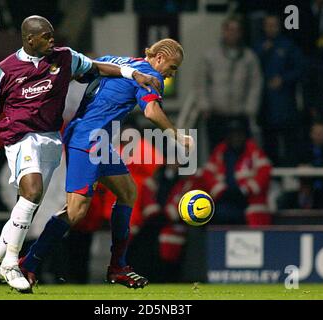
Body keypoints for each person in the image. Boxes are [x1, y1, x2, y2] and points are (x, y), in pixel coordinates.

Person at [0, 15, 162, 295]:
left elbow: (97, 67)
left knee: (30, 206)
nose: (51, 41)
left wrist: (135, 74)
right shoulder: (3, 69)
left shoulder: (64, 58)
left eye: (52, 36)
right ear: (29, 39)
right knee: (33, 195)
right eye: (46, 36)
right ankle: (14, 264)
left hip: (51, 139)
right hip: (21, 138)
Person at [19, 38, 193, 289]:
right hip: (87, 140)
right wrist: (178, 135)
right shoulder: (150, 75)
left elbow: (87, 70)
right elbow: (151, 111)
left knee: (128, 192)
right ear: (160, 58)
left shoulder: (118, 61)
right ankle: (29, 263)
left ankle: (118, 267)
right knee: (76, 212)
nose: (170, 74)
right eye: (173, 67)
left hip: (97, 141)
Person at [166, 118, 272, 226]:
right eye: (233, 134)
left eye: (239, 134)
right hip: (223, 200)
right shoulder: (221, 151)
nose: (236, 138)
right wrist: (220, 190)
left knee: (255, 212)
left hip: (248, 200)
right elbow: (207, 174)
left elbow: (263, 174)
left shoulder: (253, 152)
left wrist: (244, 190)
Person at [198, 16, 262, 148]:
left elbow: (255, 83)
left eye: (236, 30)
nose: (232, 33)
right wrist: (204, 105)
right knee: (216, 150)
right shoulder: (210, 56)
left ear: (240, 33)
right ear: (224, 31)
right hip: (216, 114)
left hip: (240, 114)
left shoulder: (249, 57)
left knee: (242, 151)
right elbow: (201, 83)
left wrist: (250, 108)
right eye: (230, 30)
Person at [254, 14, 303, 167]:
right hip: (265, 105)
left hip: (285, 105)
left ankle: (289, 179)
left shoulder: (288, 46)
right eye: (268, 25)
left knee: (289, 144)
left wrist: (283, 79)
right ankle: (271, 178)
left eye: (274, 25)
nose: (271, 28)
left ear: (279, 26)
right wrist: (262, 53)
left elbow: (300, 69)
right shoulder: (257, 47)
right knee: (269, 144)